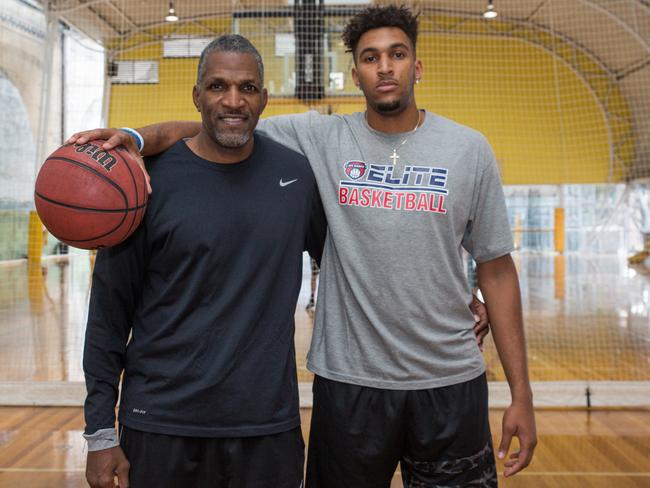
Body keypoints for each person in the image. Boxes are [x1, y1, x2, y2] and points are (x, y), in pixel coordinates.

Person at [70, 5, 534, 487]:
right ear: (355, 74)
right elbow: (216, 129)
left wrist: (511, 377)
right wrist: (131, 138)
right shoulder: (317, 139)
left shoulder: (461, 149)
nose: (385, 66)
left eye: (397, 54)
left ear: (416, 66)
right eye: (371, 57)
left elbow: (485, 266)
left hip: (420, 387)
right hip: (316, 390)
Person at [81, 35, 327, 488]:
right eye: (218, 86)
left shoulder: (296, 176)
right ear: (197, 97)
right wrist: (99, 431)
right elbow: (108, 314)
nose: (233, 101)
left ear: (264, 98)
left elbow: (348, 261)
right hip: (160, 423)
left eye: (248, 88)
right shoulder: (145, 183)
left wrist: (453, 297)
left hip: (266, 427)